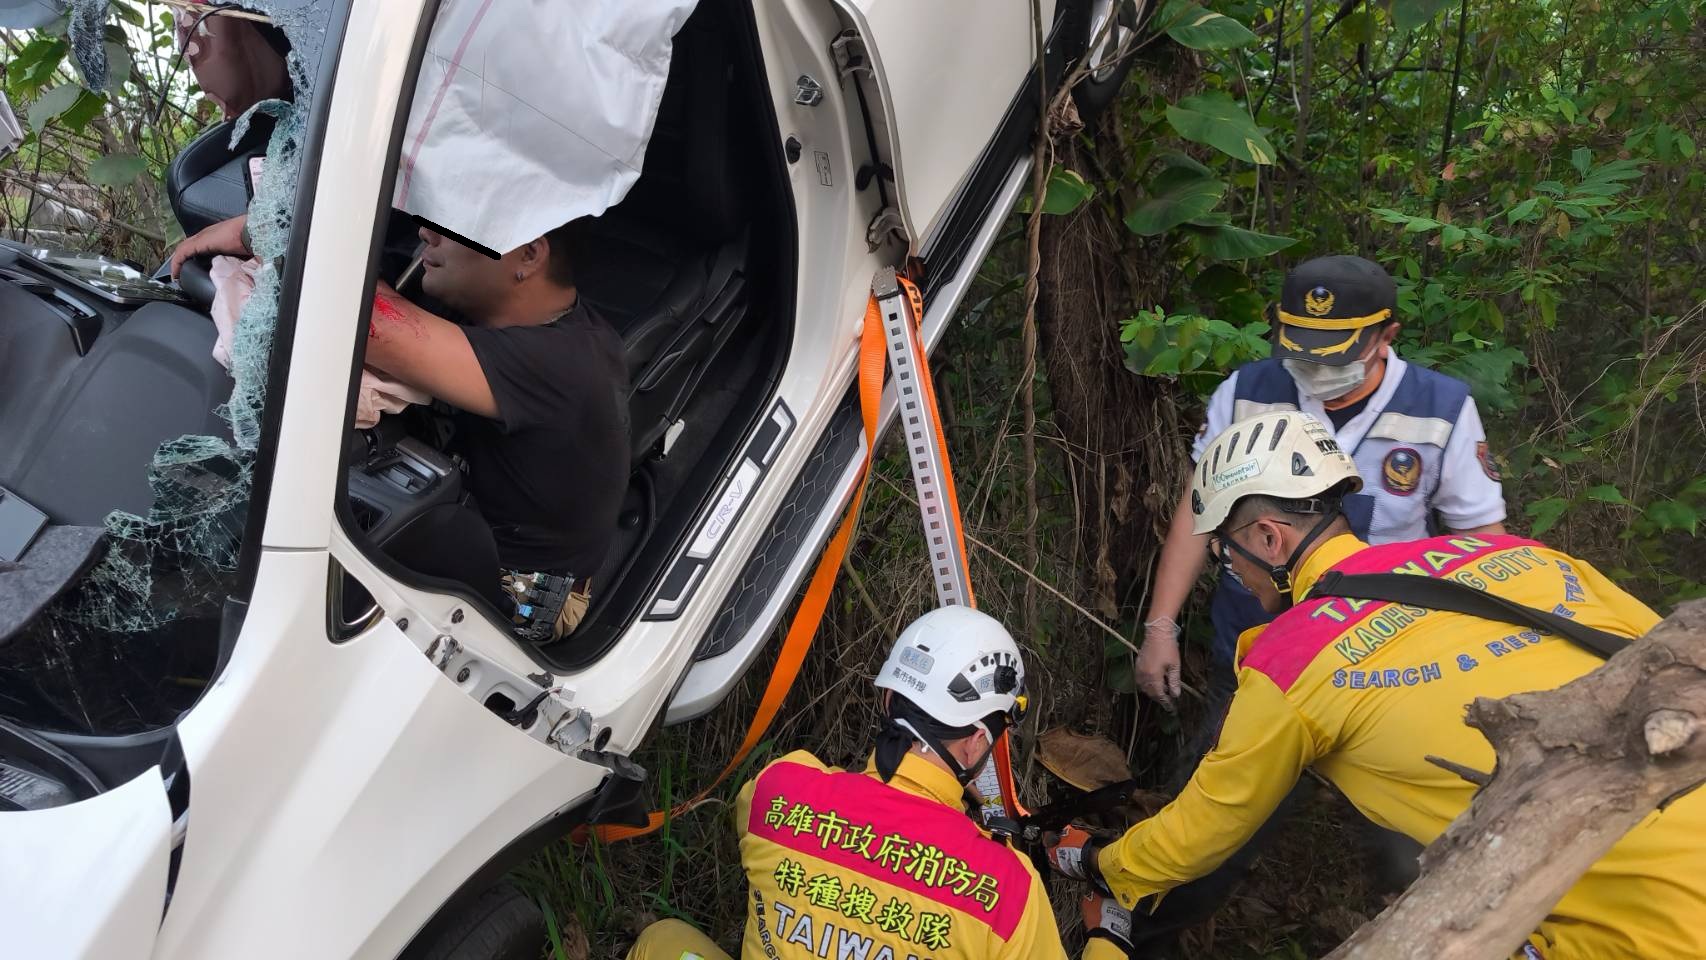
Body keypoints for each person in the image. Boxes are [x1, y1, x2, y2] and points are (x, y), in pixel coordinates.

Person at [1048, 411, 1706, 959]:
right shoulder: (1524, 557)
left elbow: (1202, 833)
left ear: (1269, 538)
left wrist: (1105, 864)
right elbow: (1674, 662)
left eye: (1222, 551)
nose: (1226, 569)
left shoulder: (1292, 660)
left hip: (1649, 933)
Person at [172, 214, 630, 638]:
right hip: (470, 511)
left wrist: (258, 230)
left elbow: (363, 321)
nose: (426, 233)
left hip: (528, 596)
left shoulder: (563, 366)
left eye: (453, 226)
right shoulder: (519, 314)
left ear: (529, 255)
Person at [625, 606, 1136, 960]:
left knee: (663, 939)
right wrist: (1109, 937)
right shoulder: (1006, 891)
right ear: (978, 743)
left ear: (889, 700)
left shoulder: (777, 788)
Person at [1136, 254, 1507, 710]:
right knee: (1238, 762)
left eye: (1334, 354)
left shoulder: (1441, 409)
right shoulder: (1245, 392)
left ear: (1386, 335)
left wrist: (1492, 644)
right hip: (1253, 633)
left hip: (1385, 640)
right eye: (1301, 348)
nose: (1314, 366)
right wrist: (1160, 626)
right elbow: (1197, 512)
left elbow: (1482, 540)